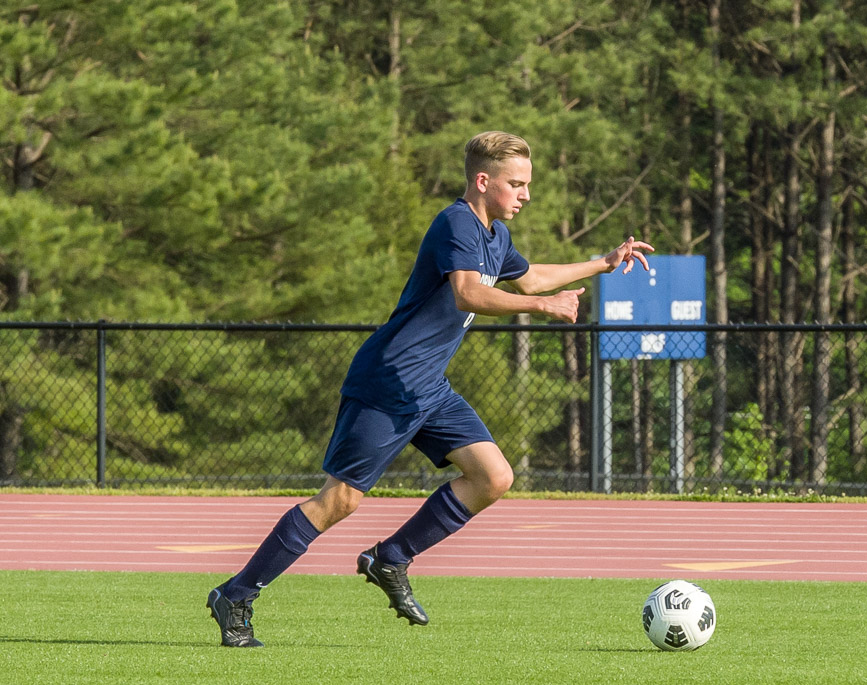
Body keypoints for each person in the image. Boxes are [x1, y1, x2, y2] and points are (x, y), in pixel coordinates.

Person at [207, 131, 653, 647]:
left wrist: (604, 261)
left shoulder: (494, 236)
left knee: (493, 476)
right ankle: (236, 595)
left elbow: (530, 279)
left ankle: (390, 557)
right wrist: (542, 309)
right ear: (483, 181)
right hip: (389, 382)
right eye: (517, 184)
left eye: (527, 184)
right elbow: (468, 293)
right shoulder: (456, 222)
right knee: (340, 501)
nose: (526, 194)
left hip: (429, 389)